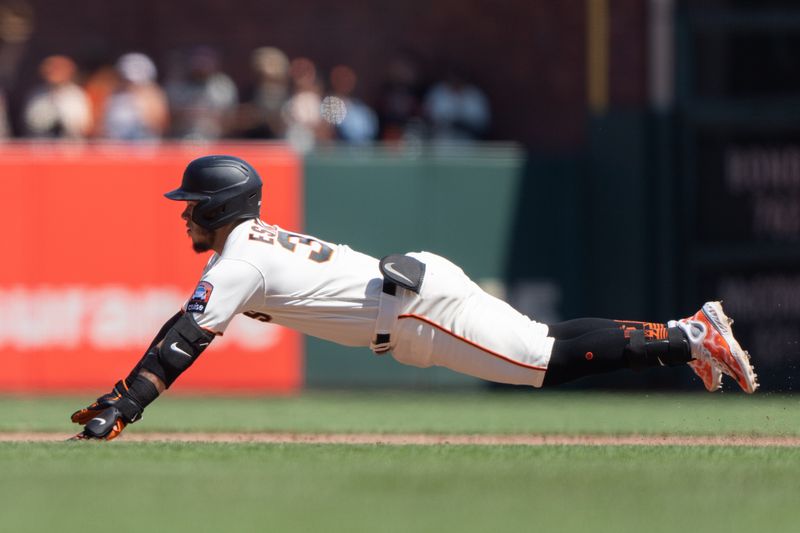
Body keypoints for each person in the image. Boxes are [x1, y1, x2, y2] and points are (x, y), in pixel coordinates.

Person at [70, 155, 759, 440]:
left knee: (546, 359)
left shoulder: (238, 259)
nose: (184, 213)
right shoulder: (245, 248)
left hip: (415, 311)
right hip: (411, 297)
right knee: (547, 346)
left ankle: (692, 335)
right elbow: (184, 322)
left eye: (193, 204)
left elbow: (187, 338)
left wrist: (126, 405)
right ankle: (688, 337)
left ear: (219, 207)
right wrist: (126, 389)